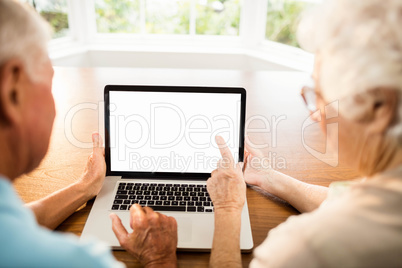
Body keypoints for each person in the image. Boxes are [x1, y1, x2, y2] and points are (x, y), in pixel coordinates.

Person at [206, 0, 402, 267]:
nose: (315, 114)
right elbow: (347, 199)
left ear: (378, 109)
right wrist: (269, 177)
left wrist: (228, 209)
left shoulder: (303, 249)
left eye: (319, 95)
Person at [0, 1, 177, 267]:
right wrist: (159, 258)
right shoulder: (77, 261)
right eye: (50, 82)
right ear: (12, 90)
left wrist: (85, 187)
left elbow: (12, 226)